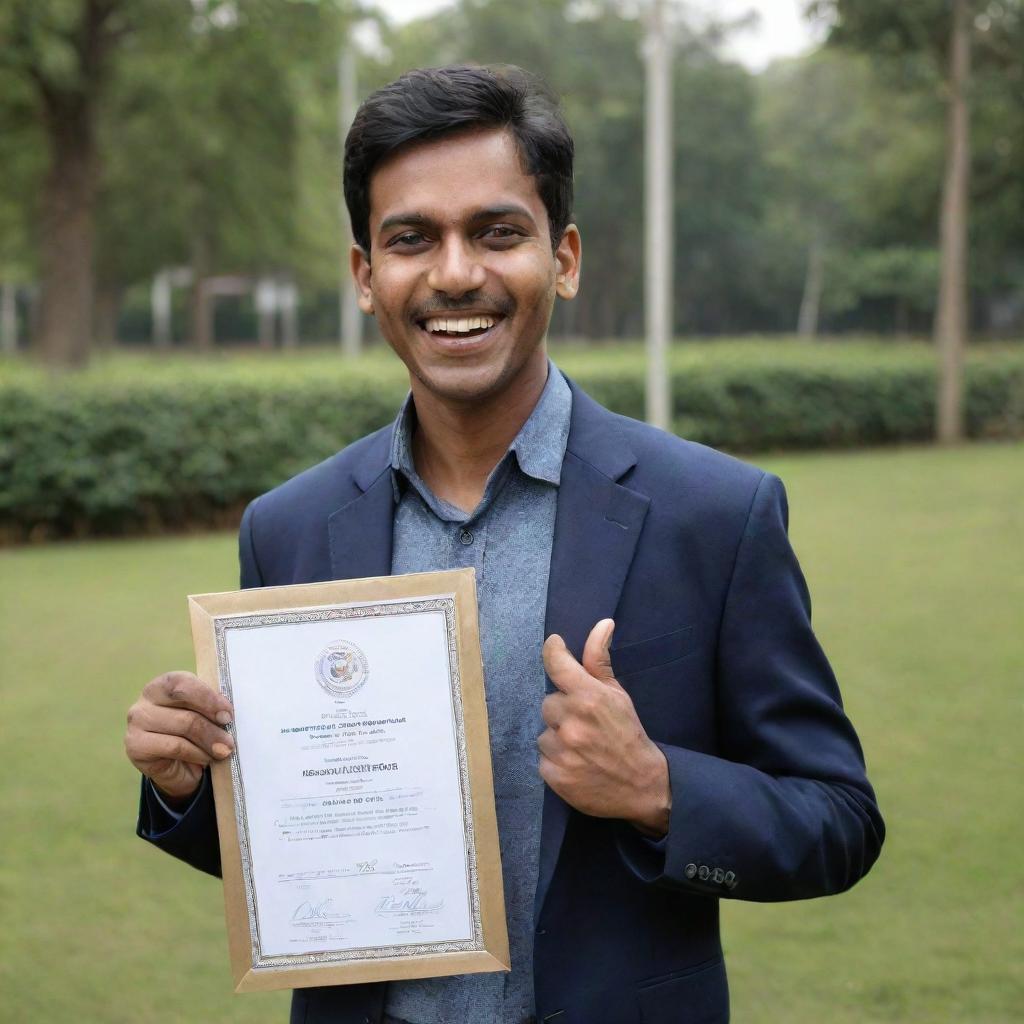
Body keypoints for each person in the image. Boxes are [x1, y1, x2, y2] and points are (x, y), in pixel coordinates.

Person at [124, 64, 884, 1024]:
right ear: (366, 275)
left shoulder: (714, 514)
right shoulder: (291, 528)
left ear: (562, 258)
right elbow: (297, 849)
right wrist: (190, 783)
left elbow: (840, 820)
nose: (454, 274)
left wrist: (658, 788)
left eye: (496, 232)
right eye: (411, 239)